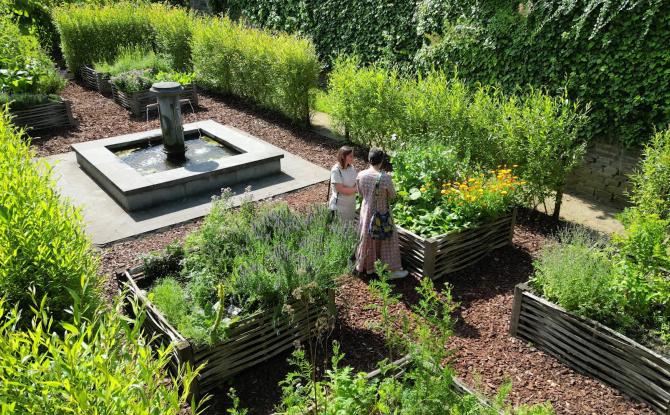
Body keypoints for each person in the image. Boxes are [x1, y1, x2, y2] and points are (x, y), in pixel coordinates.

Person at [355, 148, 408, 280]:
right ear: (382, 161)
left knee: (366, 237)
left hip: (366, 211)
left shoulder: (361, 175)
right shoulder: (385, 178)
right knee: (387, 239)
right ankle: (390, 270)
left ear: (369, 159)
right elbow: (393, 195)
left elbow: (360, 193)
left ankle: (366, 266)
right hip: (381, 212)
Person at [329, 146, 358, 222]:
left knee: (349, 227)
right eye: (350, 156)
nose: (353, 158)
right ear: (342, 156)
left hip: (351, 206)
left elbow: (357, 182)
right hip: (339, 207)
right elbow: (342, 190)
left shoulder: (351, 168)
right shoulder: (336, 170)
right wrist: (355, 189)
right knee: (338, 229)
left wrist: (353, 189)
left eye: (353, 155)